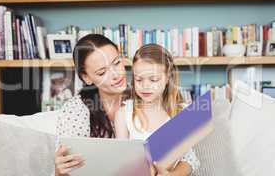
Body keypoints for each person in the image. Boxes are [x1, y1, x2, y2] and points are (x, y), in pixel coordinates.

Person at [55, 34, 199, 176]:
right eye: (102, 72)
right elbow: (70, 167)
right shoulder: (76, 111)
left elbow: (188, 157)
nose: (116, 74)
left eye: (117, 63)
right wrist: (59, 172)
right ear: (86, 77)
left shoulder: (146, 94)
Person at [114, 44, 200, 176]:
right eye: (139, 79)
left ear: (167, 79)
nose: (145, 86)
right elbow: (121, 162)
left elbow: (190, 160)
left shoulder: (181, 112)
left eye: (153, 79)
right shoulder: (124, 114)